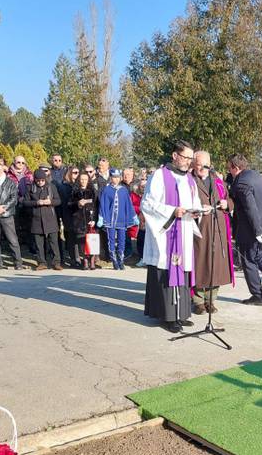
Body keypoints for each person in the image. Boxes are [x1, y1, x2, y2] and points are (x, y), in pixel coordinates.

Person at [141, 142, 203, 332]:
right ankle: (168, 316)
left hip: (183, 232)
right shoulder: (160, 175)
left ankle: (181, 314)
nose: (188, 162)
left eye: (190, 159)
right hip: (166, 235)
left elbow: (195, 202)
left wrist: (197, 213)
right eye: (185, 158)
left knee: (182, 271)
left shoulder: (190, 179)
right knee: (167, 272)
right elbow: (148, 203)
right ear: (175, 155)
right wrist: (172, 211)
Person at [227, 153, 262, 306]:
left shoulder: (241, 183)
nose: (229, 171)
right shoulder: (255, 176)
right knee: (259, 255)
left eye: (230, 168)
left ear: (236, 167)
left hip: (252, 228)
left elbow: (250, 207)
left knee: (248, 260)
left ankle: (258, 295)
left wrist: (257, 230)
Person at [189, 151, 233, 315]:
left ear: (209, 163)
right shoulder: (190, 181)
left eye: (202, 164)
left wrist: (226, 203)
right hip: (200, 229)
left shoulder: (218, 182)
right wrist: (199, 209)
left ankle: (211, 300)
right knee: (200, 264)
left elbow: (231, 201)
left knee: (216, 265)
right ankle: (198, 301)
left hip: (218, 228)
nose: (199, 167)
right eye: (197, 164)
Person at [23, 169, 63, 271]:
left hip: (50, 219)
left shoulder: (51, 187)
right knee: (39, 244)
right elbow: (25, 202)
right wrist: (37, 202)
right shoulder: (30, 188)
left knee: (54, 242)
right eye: (38, 180)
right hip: (36, 219)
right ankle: (42, 262)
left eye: (42, 180)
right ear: (35, 180)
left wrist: (50, 202)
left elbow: (58, 201)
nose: (40, 182)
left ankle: (56, 262)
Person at [98, 168, 137, 271]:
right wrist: (101, 217)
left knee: (121, 240)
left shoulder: (123, 190)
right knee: (110, 240)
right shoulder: (106, 190)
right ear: (110, 178)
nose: (115, 179)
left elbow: (128, 204)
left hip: (121, 219)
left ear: (119, 178)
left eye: (117, 177)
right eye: (113, 177)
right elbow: (103, 204)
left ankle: (121, 260)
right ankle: (114, 260)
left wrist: (133, 216)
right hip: (110, 219)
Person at [70, 171, 97, 270]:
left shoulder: (92, 191)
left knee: (92, 241)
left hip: (90, 220)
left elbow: (96, 206)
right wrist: (77, 203)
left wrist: (94, 219)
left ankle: (92, 261)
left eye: (85, 179)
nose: (83, 181)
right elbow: (69, 204)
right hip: (79, 221)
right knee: (82, 242)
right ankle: (85, 261)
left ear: (88, 180)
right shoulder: (75, 191)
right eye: (81, 179)